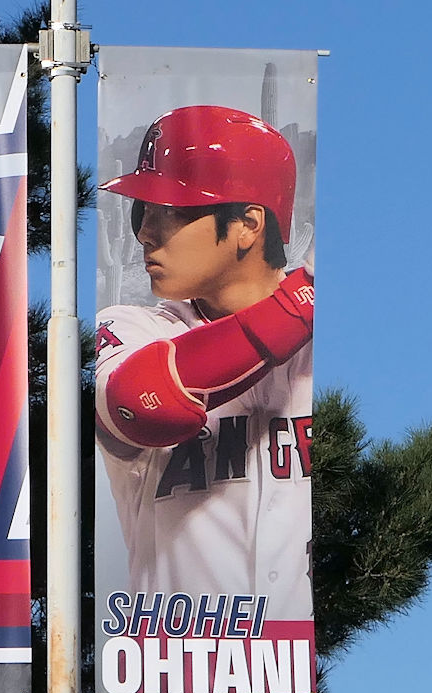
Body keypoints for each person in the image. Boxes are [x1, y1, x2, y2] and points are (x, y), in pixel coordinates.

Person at [95, 104, 315, 618]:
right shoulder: (136, 329)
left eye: (170, 211)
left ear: (247, 226)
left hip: (297, 675)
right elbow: (139, 402)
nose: (145, 232)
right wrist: (299, 303)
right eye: (141, 211)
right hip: (172, 675)